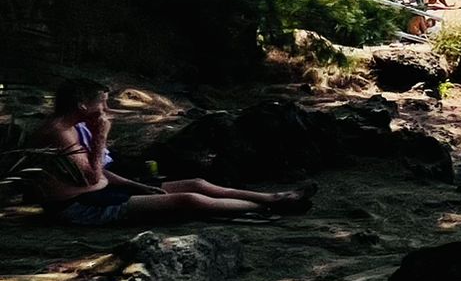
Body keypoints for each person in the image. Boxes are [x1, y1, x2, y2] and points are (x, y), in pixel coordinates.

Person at [32, 79, 315, 225]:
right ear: (82, 105)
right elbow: (91, 177)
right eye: (101, 104)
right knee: (190, 199)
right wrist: (102, 135)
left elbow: (101, 173)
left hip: (103, 191)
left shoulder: (76, 124)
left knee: (197, 183)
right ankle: (273, 205)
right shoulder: (59, 132)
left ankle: (274, 196)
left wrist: (138, 185)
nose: (105, 111)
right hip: (80, 207)